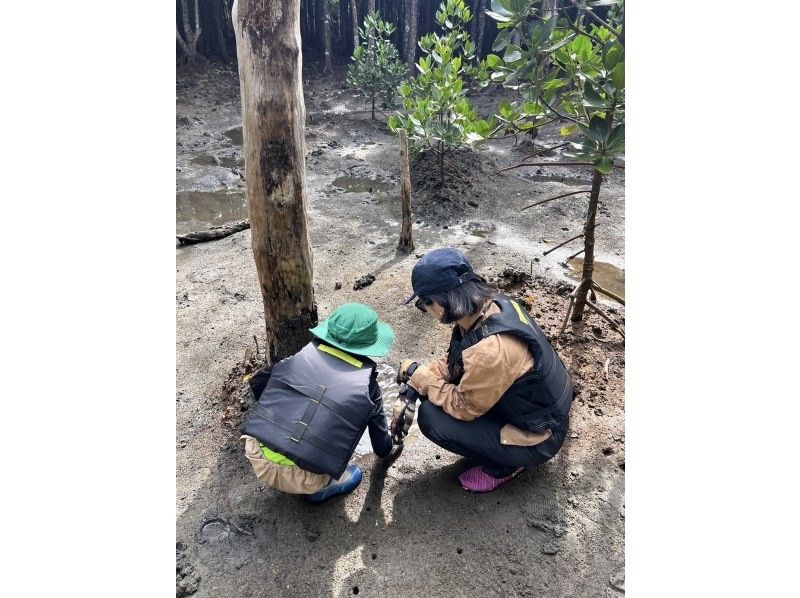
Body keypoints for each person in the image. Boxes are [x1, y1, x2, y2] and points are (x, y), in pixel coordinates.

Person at [391, 248, 573, 493]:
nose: (426, 312)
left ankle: (507, 464)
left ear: (444, 300)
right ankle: (501, 447)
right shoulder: (490, 307)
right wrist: (415, 380)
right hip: (534, 410)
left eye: (424, 304)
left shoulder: (490, 351)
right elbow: (457, 364)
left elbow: (463, 408)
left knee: (432, 419)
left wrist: (425, 381)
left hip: (539, 437)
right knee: (433, 392)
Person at [241, 303, 396, 504]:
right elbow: (381, 448)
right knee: (355, 473)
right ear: (369, 346)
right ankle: (322, 487)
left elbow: (258, 383)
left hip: (257, 456)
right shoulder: (369, 387)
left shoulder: (298, 358)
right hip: (304, 478)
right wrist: (394, 440)